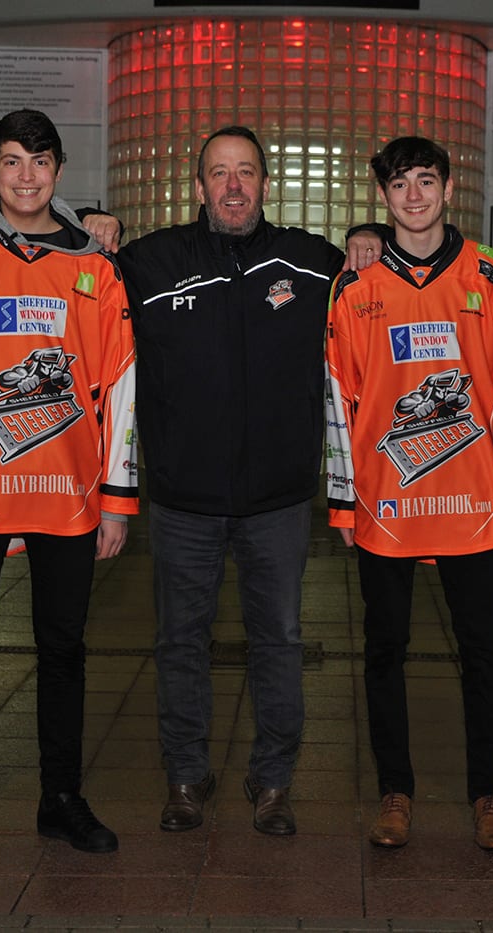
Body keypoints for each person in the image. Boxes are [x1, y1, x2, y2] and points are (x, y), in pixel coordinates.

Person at [116, 126, 378, 836]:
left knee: (280, 641)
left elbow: (388, 272)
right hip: (183, 500)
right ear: (198, 185)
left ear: (265, 183)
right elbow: (75, 270)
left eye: (246, 172)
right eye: (219, 173)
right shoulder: (150, 262)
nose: (233, 186)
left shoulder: (311, 263)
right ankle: (185, 775)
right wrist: (92, 221)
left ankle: (273, 781)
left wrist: (371, 233)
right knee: (179, 642)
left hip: (278, 500)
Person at [0, 109, 137, 867]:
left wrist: (117, 499)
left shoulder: (95, 265)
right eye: (12, 161)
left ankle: (61, 799)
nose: (26, 176)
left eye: (40, 162)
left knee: (64, 651)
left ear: (59, 171)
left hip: (68, 496)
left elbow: (121, 384)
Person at [325, 136, 493, 850]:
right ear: (382, 196)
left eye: (425, 180)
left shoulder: (489, 273)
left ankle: (488, 795)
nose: (413, 195)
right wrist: (343, 500)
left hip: (475, 502)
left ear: (448, 188)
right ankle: (396, 791)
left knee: (482, 653)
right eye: (399, 184)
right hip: (387, 502)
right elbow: (338, 400)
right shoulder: (356, 285)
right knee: (384, 649)